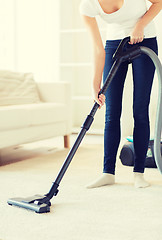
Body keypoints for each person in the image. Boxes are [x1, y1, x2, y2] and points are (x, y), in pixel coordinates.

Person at [79, 0, 162, 188]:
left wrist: (140, 25)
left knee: (140, 110)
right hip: (115, 43)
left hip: (145, 39)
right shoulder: (88, 5)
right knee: (111, 112)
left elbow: (158, 2)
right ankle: (108, 172)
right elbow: (98, 49)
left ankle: (138, 173)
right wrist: (95, 84)